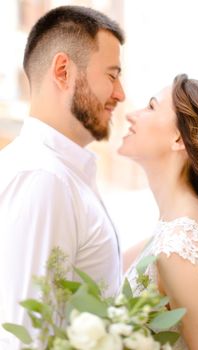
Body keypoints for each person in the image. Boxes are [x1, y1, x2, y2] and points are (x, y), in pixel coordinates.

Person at [0, 5, 125, 349]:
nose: (120, 93)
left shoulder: (59, 172)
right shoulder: (43, 178)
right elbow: (27, 336)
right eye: (112, 75)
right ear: (63, 71)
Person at [119, 74, 198, 350]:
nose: (131, 116)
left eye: (151, 106)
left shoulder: (181, 249)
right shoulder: (171, 232)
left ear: (179, 138)